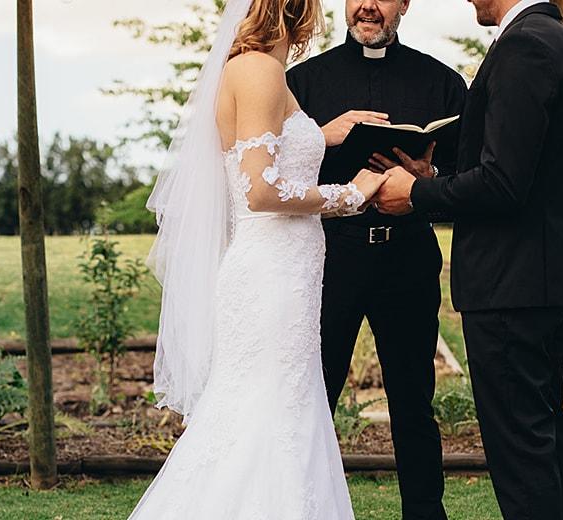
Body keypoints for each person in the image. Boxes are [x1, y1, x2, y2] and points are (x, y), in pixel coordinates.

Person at [129, 0, 387, 517]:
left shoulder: (253, 69)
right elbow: (260, 191)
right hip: (273, 275)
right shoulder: (260, 71)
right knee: (268, 414)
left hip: (280, 270)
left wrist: (321, 134)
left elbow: (265, 156)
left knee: (279, 409)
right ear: (296, 11)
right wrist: (350, 195)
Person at [373, 0, 563, 518]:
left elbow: (503, 184)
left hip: (510, 286)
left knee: (519, 454)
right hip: (545, 279)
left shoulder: (525, 46)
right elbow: (527, 172)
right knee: (541, 441)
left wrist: (415, 194)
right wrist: (435, 180)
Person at [286, 1, 466, 516]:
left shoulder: (444, 84)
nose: (367, 4)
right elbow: (270, 169)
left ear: (404, 4)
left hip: (408, 259)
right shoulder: (303, 83)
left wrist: (428, 178)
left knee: (414, 404)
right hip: (327, 261)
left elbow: (472, 178)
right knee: (313, 400)